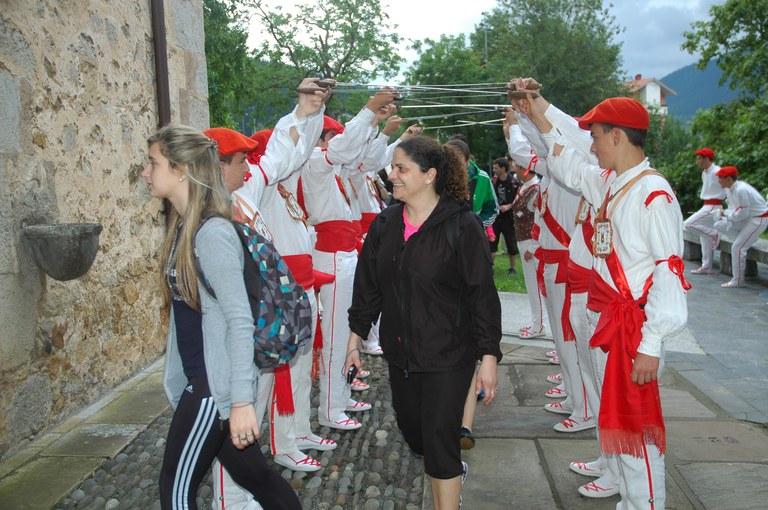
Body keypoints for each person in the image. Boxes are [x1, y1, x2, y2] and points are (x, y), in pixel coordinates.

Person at [524, 91, 690, 510]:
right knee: (619, 420)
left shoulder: (653, 194)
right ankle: (632, 499)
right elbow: (573, 168)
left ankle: (646, 504)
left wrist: (652, 344)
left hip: (634, 331)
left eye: (596, 136)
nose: (592, 146)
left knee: (637, 432)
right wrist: (540, 116)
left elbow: (668, 271)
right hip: (611, 322)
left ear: (617, 135)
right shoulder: (615, 183)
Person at [144, 124, 301, 510]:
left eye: (153, 163)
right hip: (205, 383)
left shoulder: (211, 234)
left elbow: (238, 318)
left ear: (181, 169)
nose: (146, 172)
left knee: (176, 488)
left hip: (212, 390)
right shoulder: (185, 227)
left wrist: (241, 402)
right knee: (255, 477)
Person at [346, 136, 502, 510]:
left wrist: (489, 358)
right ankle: (442, 462)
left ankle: (447, 482)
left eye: (401, 168)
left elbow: (482, 294)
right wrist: (354, 341)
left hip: (449, 355)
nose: (392, 176)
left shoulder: (462, 226)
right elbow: (367, 288)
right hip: (400, 355)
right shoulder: (384, 225)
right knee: (415, 436)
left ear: (429, 175)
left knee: (439, 441)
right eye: (392, 168)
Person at [713, 165, 768, 287]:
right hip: (748, 218)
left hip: (758, 219)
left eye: (721, 178)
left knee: (737, 247)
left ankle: (737, 280)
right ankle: (748, 239)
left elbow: (743, 213)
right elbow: (735, 210)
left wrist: (726, 214)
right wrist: (724, 214)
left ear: (729, 179)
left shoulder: (741, 190)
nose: (719, 180)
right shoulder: (729, 189)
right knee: (719, 225)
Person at [684, 148, 725, 274]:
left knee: (688, 224)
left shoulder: (717, 172)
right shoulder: (704, 173)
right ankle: (706, 265)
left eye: (699, 158)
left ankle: (714, 234)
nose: (697, 161)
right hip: (708, 205)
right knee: (703, 235)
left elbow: (728, 187)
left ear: (706, 158)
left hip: (714, 206)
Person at [489, 157, 521, 274]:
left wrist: (508, 206)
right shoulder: (493, 182)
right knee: (492, 242)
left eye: (496, 167)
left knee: (510, 243)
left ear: (503, 168)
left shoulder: (513, 183)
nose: (493, 170)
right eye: (493, 167)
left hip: (508, 218)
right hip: (496, 218)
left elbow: (519, 200)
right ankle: (490, 267)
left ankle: (513, 267)